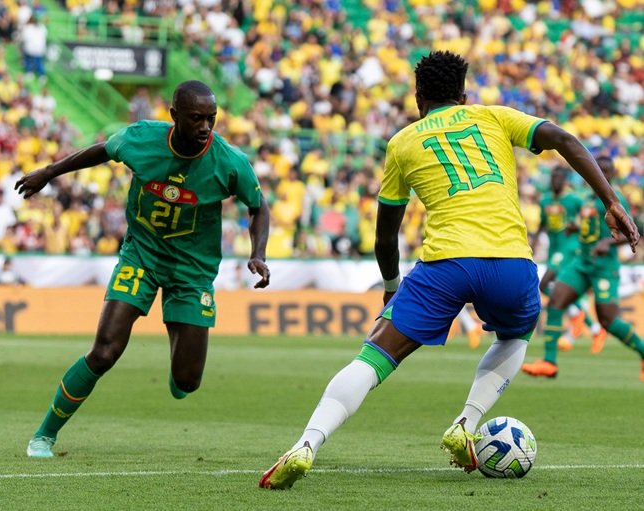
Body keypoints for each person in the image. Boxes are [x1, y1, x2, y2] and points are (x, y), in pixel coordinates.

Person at [258, 51, 639, 490]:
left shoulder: (402, 142)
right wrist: (611, 201)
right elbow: (563, 139)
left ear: (418, 98)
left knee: (373, 357)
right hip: (510, 262)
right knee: (515, 335)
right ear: (463, 95)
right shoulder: (493, 116)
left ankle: (306, 444)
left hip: (445, 264)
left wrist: (391, 287)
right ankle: (465, 423)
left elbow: (385, 236)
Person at [16, 80, 271, 458]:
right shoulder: (141, 138)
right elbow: (101, 151)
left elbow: (258, 206)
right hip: (142, 256)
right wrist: (49, 172)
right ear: (175, 116)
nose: (205, 127)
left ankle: (179, 345)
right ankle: (43, 436)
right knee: (104, 351)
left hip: (192, 270)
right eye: (197, 118)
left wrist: (258, 253)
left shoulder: (230, 162)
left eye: (212, 118)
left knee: (187, 381)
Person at [522, 156, 644, 380]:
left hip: (604, 266)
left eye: (606, 170)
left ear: (612, 174)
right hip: (582, 262)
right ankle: (549, 362)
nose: (602, 174)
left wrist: (607, 243)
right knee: (556, 300)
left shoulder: (616, 200)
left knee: (608, 320)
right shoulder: (587, 198)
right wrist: (575, 227)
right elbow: (589, 225)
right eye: (598, 169)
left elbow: (633, 233)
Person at [533, 165, 605, 351]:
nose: (555, 181)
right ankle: (594, 328)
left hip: (570, 247)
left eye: (559, 178)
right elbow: (543, 224)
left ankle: (576, 314)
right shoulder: (545, 200)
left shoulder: (574, 200)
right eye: (553, 178)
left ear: (565, 181)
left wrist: (581, 232)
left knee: (544, 284)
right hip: (554, 249)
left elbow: (589, 217)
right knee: (559, 290)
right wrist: (534, 242)